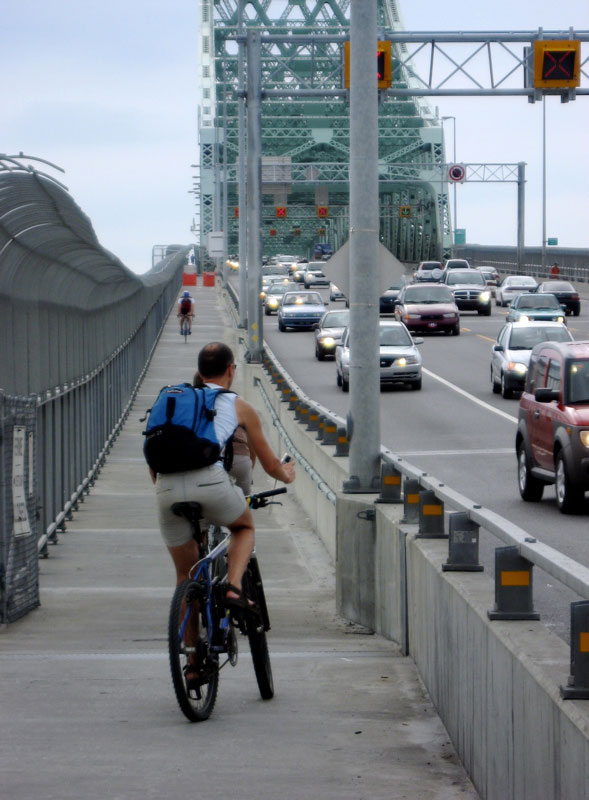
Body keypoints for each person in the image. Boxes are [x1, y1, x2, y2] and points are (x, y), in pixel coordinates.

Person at [150, 342, 295, 612]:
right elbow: (269, 464)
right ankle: (233, 588)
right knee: (243, 528)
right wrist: (285, 475)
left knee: (185, 577)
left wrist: (165, 489)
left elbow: (153, 455)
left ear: (199, 373)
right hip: (211, 482)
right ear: (231, 370)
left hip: (166, 486)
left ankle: (189, 637)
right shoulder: (239, 406)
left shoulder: (175, 402)